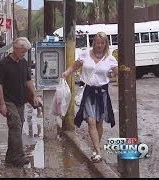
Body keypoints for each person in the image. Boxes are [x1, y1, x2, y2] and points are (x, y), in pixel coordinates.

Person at [62, 32, 118, 163]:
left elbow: (118, 73)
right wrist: (66, 73)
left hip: (102, 93)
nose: (99, 45)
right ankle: (98, 152)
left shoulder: (110, 59)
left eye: (102, 43)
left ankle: (95, 147)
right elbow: (74, 66)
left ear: (105, 44)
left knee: (99, 122)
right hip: (88, 92)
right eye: (97, 43)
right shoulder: (85, 54)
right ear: (94, 43)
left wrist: (118, 73)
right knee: (91, 120)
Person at [0, 37, 39, 167]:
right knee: (16, 126)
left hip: (21, 101)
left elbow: (28, 81)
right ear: (15, 49)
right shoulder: (3, 64)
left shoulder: (24, 63)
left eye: (25, 52)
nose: (23, 54)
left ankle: (10, 157)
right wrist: (2, 104)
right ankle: (18, 156)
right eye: (22, 51)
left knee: (16, 130)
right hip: (8, 101)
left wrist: (35, 95)